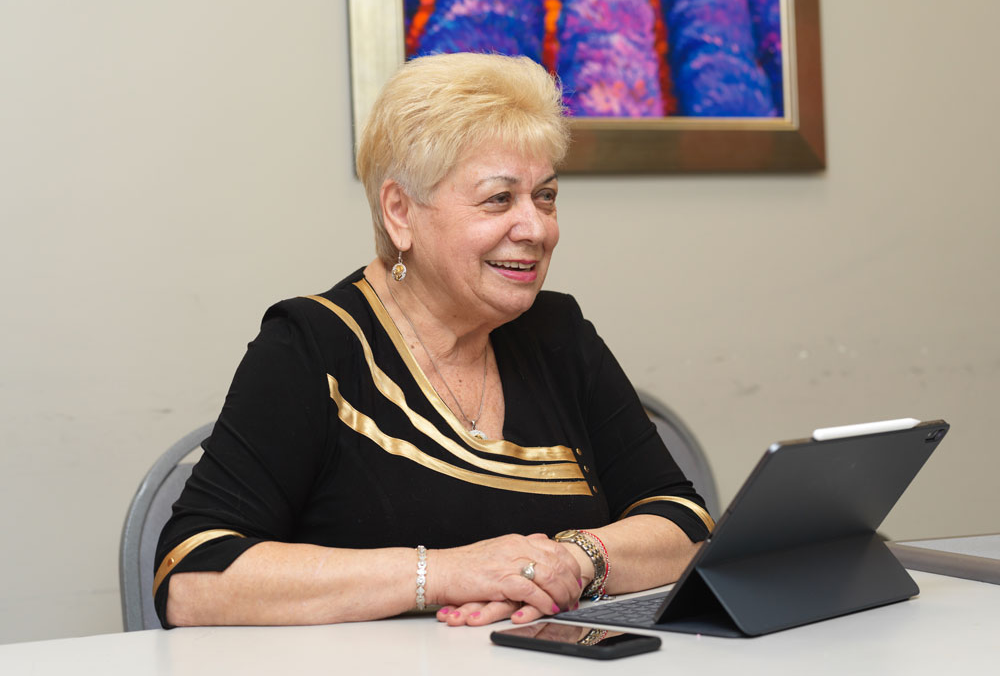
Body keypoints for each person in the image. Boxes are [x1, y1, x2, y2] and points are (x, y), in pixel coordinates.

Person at [154, 52, 714, 628]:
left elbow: (685, 523)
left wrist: (568, 562)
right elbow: (192, 579)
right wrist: (442, 574)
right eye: (499, 199)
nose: (537, 228)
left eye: (544, 196)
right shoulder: (314, 346)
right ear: (400, 212)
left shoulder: (558, 336)